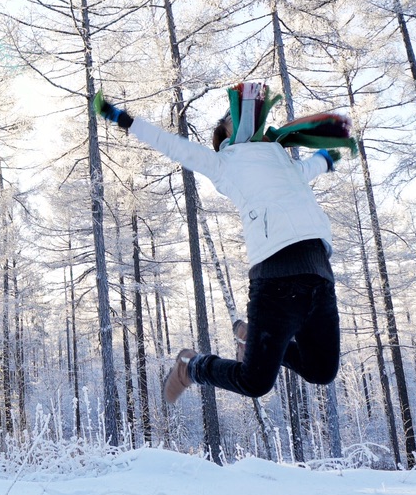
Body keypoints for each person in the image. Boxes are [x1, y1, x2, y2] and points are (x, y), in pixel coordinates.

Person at [90, 82, 357, 406]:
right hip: (276, 282)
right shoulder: (224, 163)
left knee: (321, 371)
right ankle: (193, 366)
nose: (238, 115)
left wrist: (332, 151)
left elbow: (315, 164)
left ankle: (252, 337)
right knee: (255, 382)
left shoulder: (284, 162)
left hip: (320, 277)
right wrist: (123, 119)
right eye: (230, 117)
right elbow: (173, 145)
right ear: (224, 135)